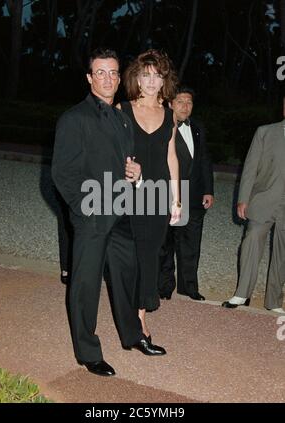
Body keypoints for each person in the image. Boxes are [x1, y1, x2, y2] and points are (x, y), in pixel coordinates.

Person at [52, 48, 166, 378]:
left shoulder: (121, 118)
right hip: (91, 215)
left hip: (120, 214)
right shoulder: (73, 119)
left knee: (125, 280)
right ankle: (88, 353)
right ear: (89, 78)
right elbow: (62, 173)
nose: (108, 78)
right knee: (85, 286)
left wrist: (134, 171)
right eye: (100, 72)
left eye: (113, 73)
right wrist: (84, 211)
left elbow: (124, 161)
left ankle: (134, 336)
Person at [118, 49, 181, 340]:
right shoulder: (122, 110)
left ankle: (140, 318)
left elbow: (172, 158)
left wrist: (176, 201)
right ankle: (129, 308)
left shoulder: (170, 115)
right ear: (137, 78)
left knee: (149, 256)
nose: (152, 81)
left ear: (164, 80)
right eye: (146, 75)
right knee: (128, 255)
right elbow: (110, 153)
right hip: (127, 194)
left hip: (157, 196)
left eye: (157, 76)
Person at [222, 109, 285, 313]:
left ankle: (274, 301)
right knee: (251, 240)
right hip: (263, 200)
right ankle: (242, 293)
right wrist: (243, 199)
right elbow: (251, 166)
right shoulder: (265, 132)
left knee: (282, 252)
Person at [158, 87, 214, 301]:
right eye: (180, 101)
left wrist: (208, 190)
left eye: (189, 102)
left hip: (195, 196)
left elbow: (205, 160)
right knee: (166, 243)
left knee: (191, 243)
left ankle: (189, 287)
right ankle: (164, 287)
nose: (185, 106)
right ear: (170, 104)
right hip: (169, 195)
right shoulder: (162, 126)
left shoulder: (198, 127)